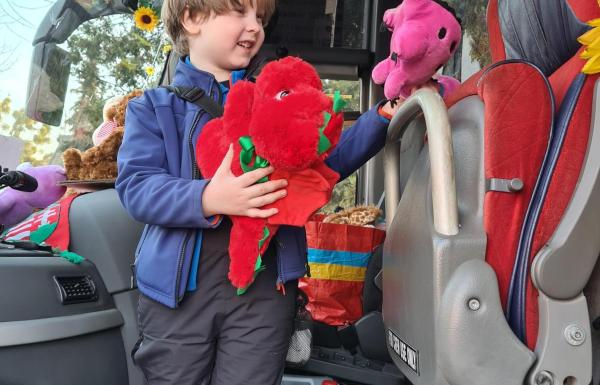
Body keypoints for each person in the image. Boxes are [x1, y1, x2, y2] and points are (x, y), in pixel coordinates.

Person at [116, 1, 406, 384]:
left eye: (261, 18)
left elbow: (322, 163)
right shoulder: (153, 107)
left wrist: (381, 116)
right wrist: (208, 198)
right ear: (191, 18)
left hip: (265, 291)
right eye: (239, 12)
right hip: (177, 297)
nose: (254, 27)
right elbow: (136, 186)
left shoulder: (274, 99)